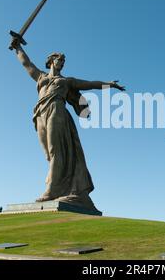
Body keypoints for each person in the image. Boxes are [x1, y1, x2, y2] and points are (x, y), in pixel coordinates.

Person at [10, 38, 125, 212]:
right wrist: (17, 47)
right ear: (51, 61)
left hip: (57, 110)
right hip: (39, 113)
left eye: (64, 61)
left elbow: (90, 84)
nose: (62, 64)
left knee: (55, 149)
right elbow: (26, 63)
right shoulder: (40, 76)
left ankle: (51, 190)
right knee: (49, 153)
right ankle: (60, 185)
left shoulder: (67, 81)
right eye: (60, 60)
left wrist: (110, 84)